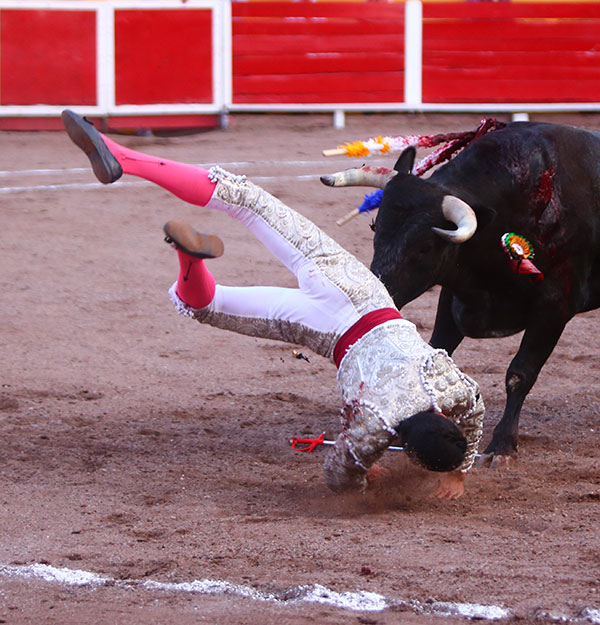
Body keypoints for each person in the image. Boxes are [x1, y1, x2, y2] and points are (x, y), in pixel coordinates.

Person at [60, 109, 484, 499]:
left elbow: (475, 410)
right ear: (403, 445)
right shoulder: (375, 424)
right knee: (210, 306)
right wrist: (368, 470)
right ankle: (189, 259)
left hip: (361, 290)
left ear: (444, 418)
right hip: (325, 329)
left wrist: (462, 468)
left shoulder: (452, 386)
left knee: (247, 199)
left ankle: (123, 157)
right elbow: (339, 476)